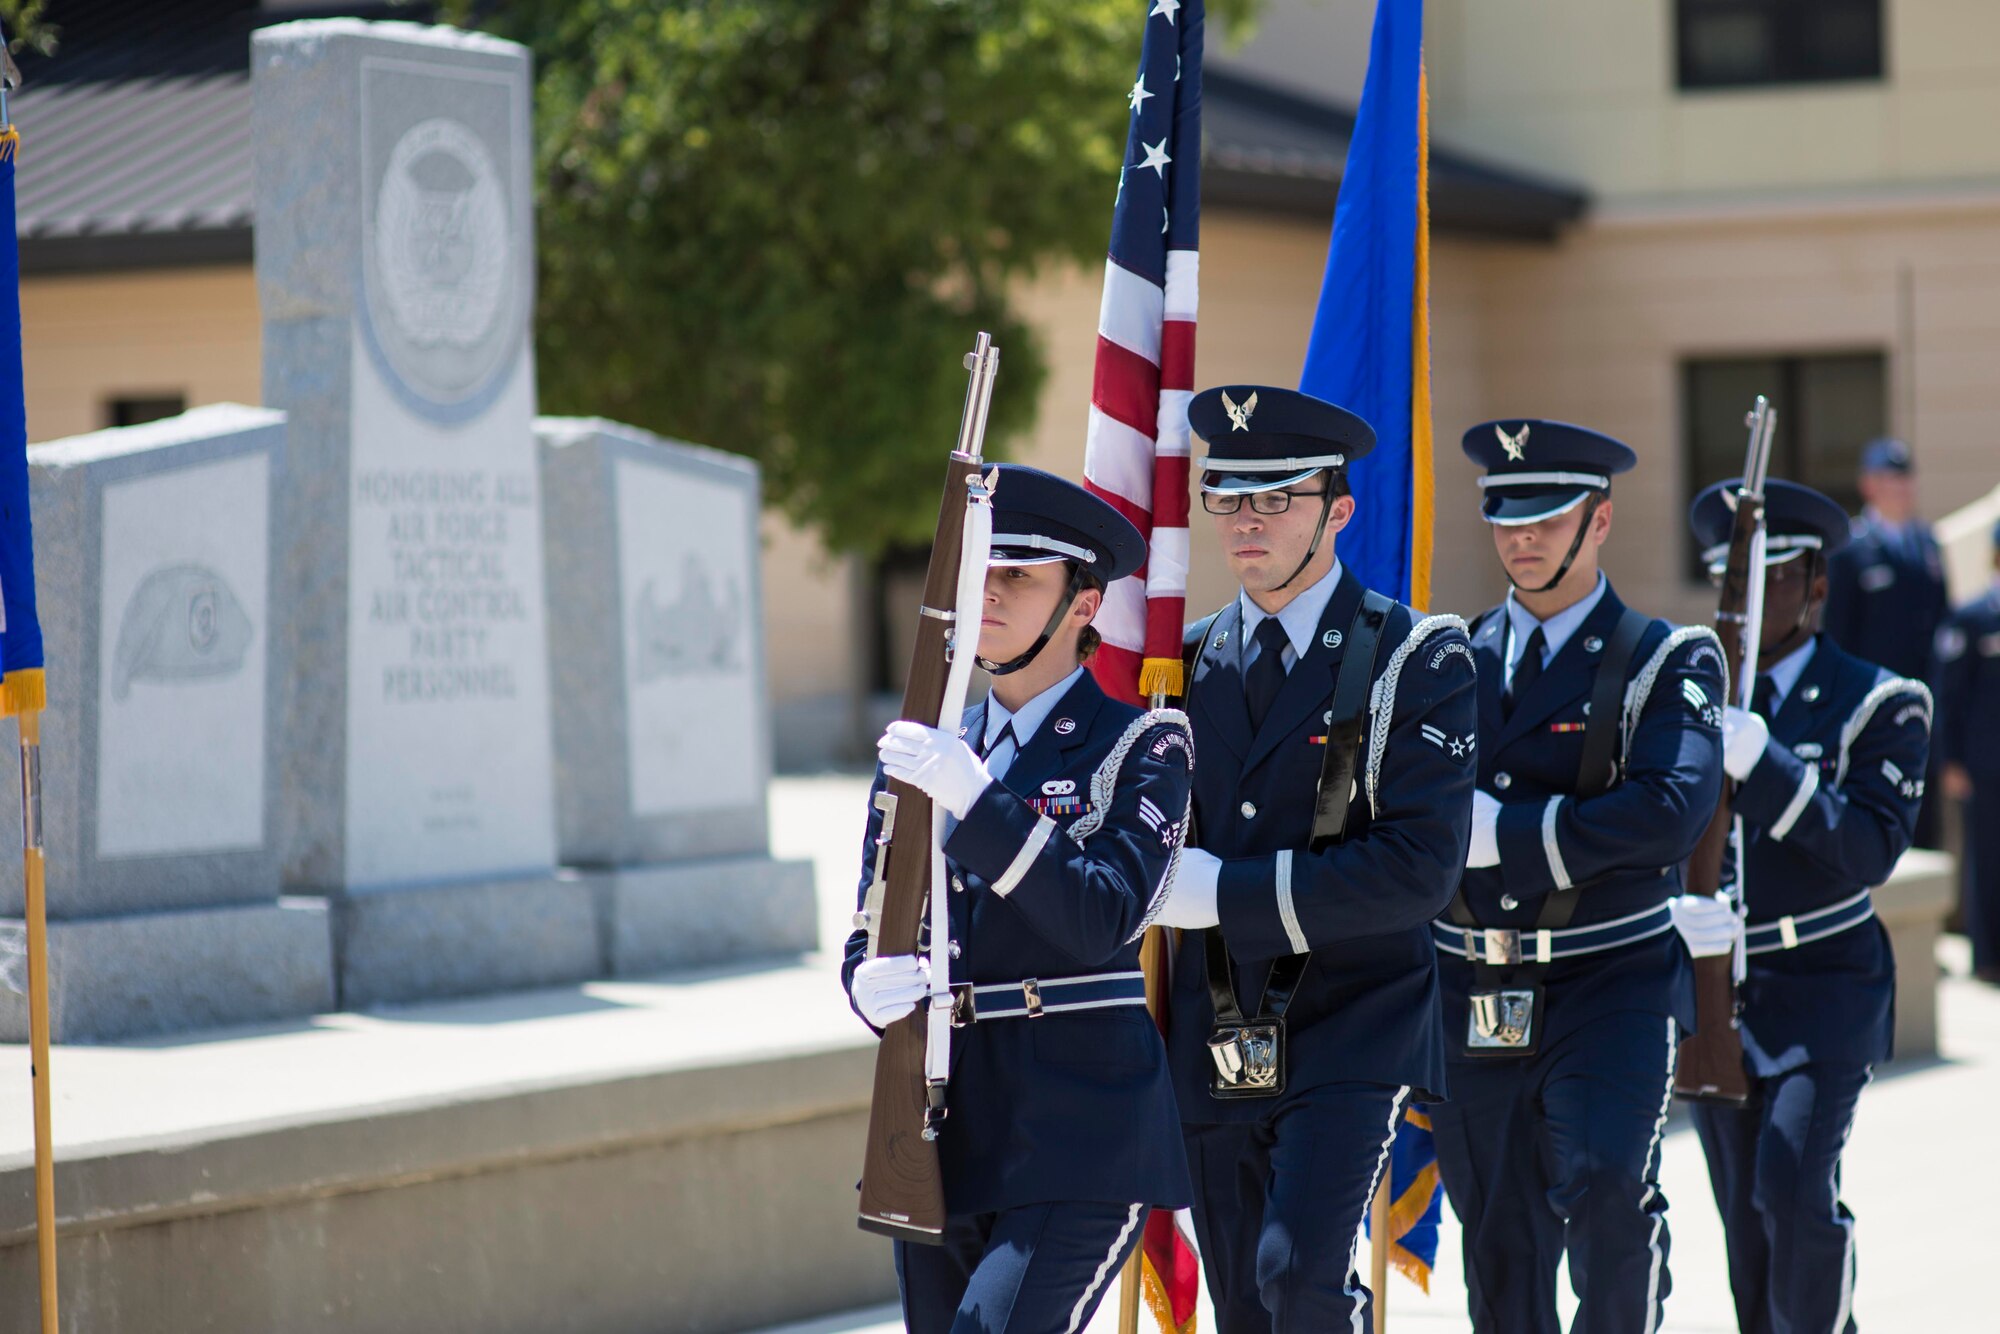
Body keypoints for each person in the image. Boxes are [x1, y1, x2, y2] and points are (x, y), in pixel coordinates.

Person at [1145, 385, 1478, 1333]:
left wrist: (1227, 892)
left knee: (1296, 1277)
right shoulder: (1181, 664)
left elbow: (1421, 866)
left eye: (1275, 498)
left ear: (1338, 510)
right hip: (1214, 1029)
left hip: (1350, 1023)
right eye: (1228, 498)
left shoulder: (1416, 657)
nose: (1246, 523)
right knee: (1248, 1304)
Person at [840, 464, 1196, 1334]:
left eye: (1020, 576)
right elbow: (876, 912)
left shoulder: (1143, 744)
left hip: (1083, 1129)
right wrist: (864, 982)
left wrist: (980, 801)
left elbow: (1104, 913)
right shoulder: (935, 748)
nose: (989, 594)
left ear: (1084, 605)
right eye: (982, 573)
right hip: (944, 1125)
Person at [1428, 419, 1726, 1334]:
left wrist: (1507, 836)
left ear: (1598, 521)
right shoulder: (1445, 661)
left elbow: (1670, 809)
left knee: (1604, 1187)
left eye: (1547, 518)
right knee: (1499, 1238)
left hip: (1611, 981)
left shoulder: (1663, 659)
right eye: (1505, 517)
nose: (1522, 538)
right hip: (1471, 985)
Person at [1684, 478, 1930, 1334]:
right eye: (1729, 578)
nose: (1745, 601)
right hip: (1718, 992)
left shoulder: (1879, 699)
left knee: (1790, 1192)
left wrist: (1773, 767)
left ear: (1817, 585)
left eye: (1769, 576)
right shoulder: (1691, 701)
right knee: (1746, 1234)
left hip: (1825, 986)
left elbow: (1869, 848)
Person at [1823, 436, 1949, 847]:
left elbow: (1940, 628)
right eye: (1890, 479)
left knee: (1923, 822)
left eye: (1905, 478)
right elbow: (1838, 638)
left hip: (1921, 708)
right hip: (1872, 709)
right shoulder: (1851, 551)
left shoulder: (1927, 546)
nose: (1901, 488)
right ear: (1868, 485)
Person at [1935, 519, 2000, 984]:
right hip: (1985, 762)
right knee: (1986, 858)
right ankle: (1988, 957)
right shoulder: (1973, 616)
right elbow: (1949, 695)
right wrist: (1950, 759)